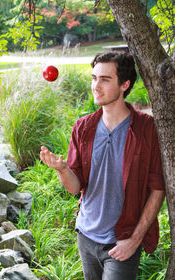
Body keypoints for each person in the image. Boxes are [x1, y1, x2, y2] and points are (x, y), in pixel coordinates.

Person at [40, 51, 165, 280]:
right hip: (86, 236)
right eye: (94, 78)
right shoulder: (83, 127)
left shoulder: (147, 129)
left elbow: (158, 189)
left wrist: (134, 241)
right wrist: (62, 169)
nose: (96, 86)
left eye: (105, 80)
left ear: (124, 84)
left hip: (121, 241)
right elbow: (74, 187)